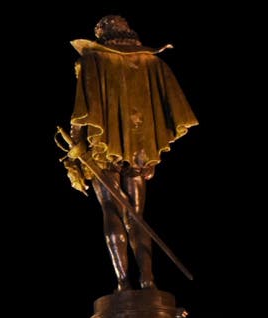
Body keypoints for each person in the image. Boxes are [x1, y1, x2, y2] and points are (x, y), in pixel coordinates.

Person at [62, 15, 197, 292]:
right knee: (137, 213)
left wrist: (76, 146)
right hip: (139, 148)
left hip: (101, 149)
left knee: (111, 209)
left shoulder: (92, 59)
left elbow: (82, 109)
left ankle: (124, 282)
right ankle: (148, 280)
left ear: (103, 35)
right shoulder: (150, 61)